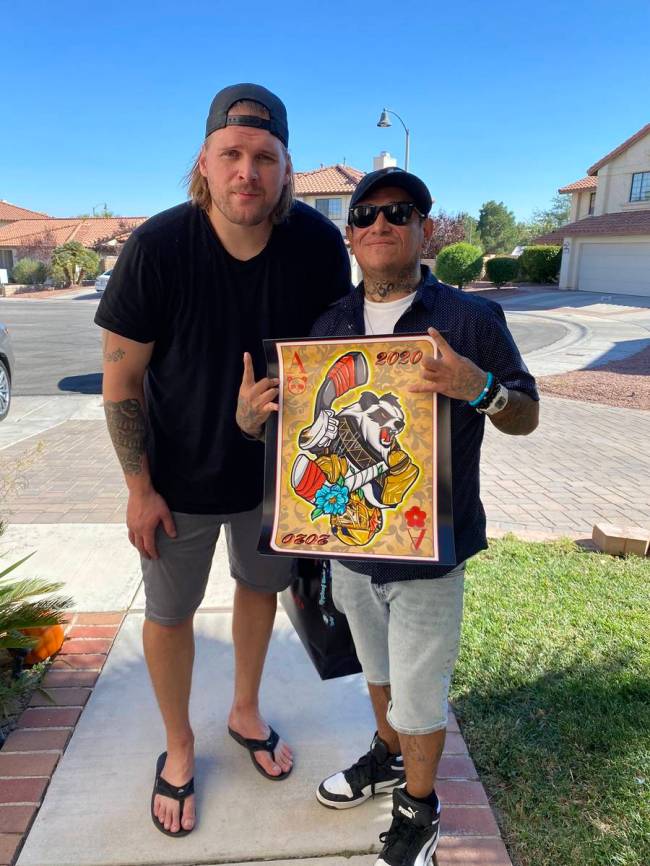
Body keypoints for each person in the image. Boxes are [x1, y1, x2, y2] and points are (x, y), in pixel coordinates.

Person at [237, 166, 538, 866]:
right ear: (350, 235)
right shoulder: (329, 327)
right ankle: (388, 756)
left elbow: (526, 413)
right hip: (352, 546)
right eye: (366, 215)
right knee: (377, 670)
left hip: (430, 552)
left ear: (424, 229)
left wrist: (480, 386)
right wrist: (253, 423)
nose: (380, 225)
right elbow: (300, 437)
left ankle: (419, 811)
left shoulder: (469, 320)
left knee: (420, 694)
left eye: (399, 213)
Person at [95, 83, 351, 837]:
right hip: (175, 476)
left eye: (265, 157)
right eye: (232, 154)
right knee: (170, 614)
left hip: (275, 479)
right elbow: (121, 380)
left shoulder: (314, 244)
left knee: (258, 589)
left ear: (285, 169)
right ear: (204, 163)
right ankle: (178, 747)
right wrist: (138, 488)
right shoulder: (159, 247)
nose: (248, 171)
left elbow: (332, 362)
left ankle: (244, 709)